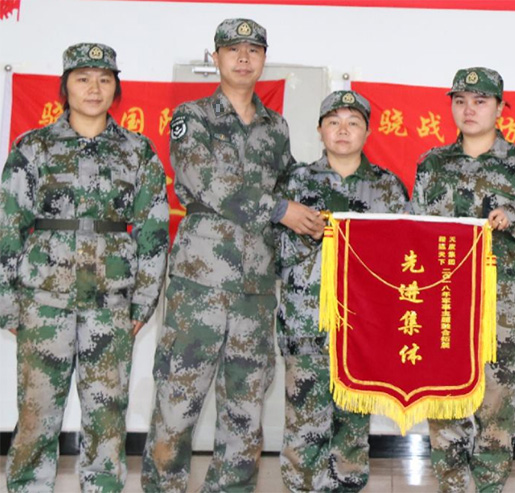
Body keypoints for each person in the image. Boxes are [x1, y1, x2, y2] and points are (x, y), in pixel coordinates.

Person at [141, 18, 323, 492]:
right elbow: (206, 183)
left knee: (245, 409)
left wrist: (332, 195)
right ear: (216, 57)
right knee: (177, 403)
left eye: (253, 50)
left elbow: (291, 186)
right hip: (199, 287)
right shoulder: (192, 117)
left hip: (255, 291)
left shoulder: (275, 127)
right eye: (233, 49)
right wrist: (281, 209)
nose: (244, 58)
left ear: (264, 59)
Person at [1, 43, 169, 492]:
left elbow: (153, 231)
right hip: (43, 302)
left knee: (107, 414)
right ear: (65, 87)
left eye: (104, 79)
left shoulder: (137, 150)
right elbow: (7, 224)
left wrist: (142, 304)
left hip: (111, 304)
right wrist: (7, 302)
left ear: (116, 88)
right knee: (37, 412)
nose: (94, 88)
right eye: (83, 78)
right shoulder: (33, 147)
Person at [412, 67, 515, 492]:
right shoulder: (432, 164)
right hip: (442, 305)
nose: (469, 109)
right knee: (443, 402)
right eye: (460, 101)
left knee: (496, 407)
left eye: (480, 101)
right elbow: (413, 233)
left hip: (499, 306)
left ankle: (488, 485)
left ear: (500, 108)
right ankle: (452, 485)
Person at [277, 90, 408, 492]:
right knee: (304, 421)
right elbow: (273, 250)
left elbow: (405, 257)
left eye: (353, 123)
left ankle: (348, 485)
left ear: (368, 132)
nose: (343, 130)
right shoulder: (295, 183)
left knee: (352, 425)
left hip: (362, 328)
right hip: (306, 321)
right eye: (333, 122)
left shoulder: (388, 187)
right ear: (319, 130)